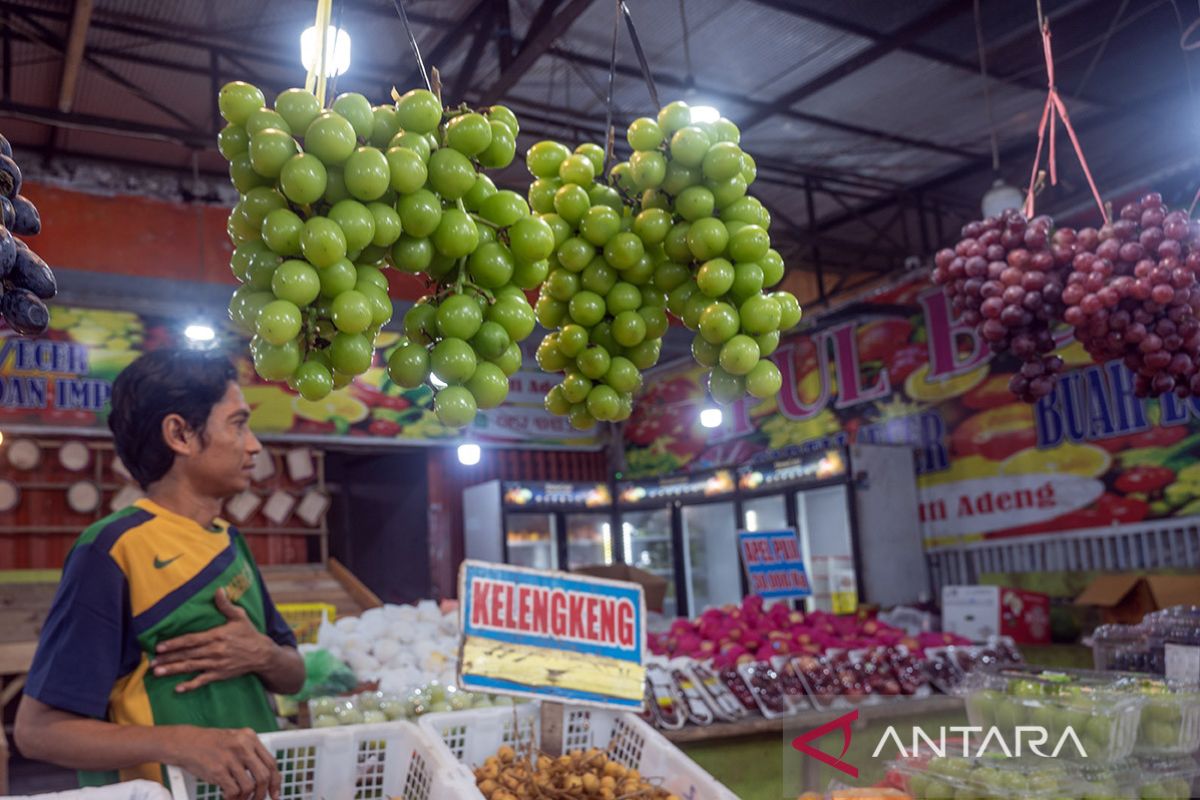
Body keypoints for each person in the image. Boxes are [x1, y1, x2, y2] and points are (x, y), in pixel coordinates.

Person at [14, 349, 306, 800]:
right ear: (180, 434)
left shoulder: (230, 540)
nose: (254, 445)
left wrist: (263, 655)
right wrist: (181, 742)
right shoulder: (112, 548)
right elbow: (39, 731)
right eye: (238, 423)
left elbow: (293, 675)